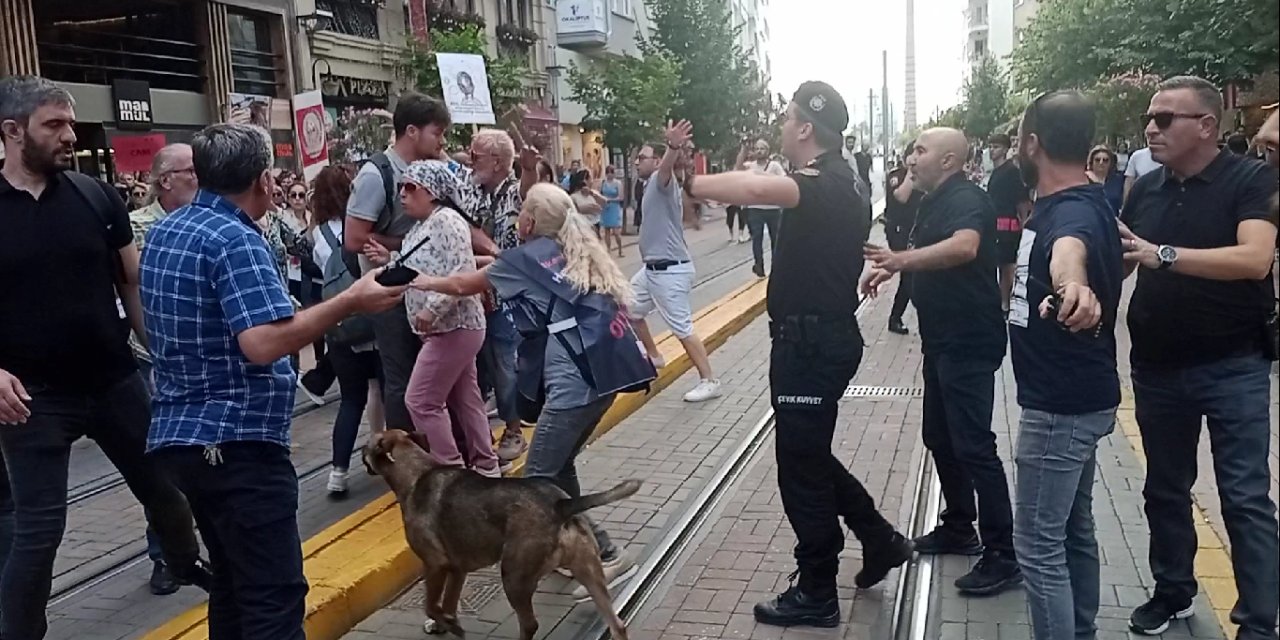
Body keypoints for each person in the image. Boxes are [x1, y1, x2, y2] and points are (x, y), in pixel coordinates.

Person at [141, 123, 407, 640]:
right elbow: (262, 343)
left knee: (232, 585)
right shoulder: (235, 238)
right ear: (263, 180)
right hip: (236, 444)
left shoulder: (168, 230)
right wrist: (351, 300)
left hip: (184, 438)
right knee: (272, 597)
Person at [683, 82, 912, 628]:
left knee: (800, 472)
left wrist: (691, 181)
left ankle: (817, 591)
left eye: (788, 119)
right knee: (808, 457)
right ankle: (879, 539)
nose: (782, 127)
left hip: (810, 346)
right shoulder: (848, 179)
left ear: (806, 127)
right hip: (817, 340)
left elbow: (755, 187)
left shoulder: (822, 181)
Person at [0, 76, 209, 640]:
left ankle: (185, 563)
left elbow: (131, 283)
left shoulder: (96, 196)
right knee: (38, 533)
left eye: (71, 123)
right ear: (12, 131)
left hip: (114, 381)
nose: (70, 135)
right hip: (32, 399)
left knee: (168, 492)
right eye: (55, 125)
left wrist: (163, 355)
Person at [408, 183, 647, 601]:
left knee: (538, 476)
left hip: (574, 386)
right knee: (560, 466)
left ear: (530, 221)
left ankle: (606, 553)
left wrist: (420, 279)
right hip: (600, 378)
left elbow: (464, 284)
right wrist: (482, 259)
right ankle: (584, 549)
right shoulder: (563, 249)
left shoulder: (521, 262)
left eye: (521, 210)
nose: (517, 215)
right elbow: (503, 267)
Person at [1116, 76, 1278, 639]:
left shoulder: (1252, 180)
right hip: (1157, 365)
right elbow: (1126, 259)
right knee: (1164, 488)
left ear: (1207, 126)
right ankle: (1173, 591)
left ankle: (1258, 623)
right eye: (1149, 118)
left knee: (1244, 497)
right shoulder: (1146, 188)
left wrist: (1162, 254)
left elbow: (1254, 259)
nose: (1151, 128)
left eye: (1165, 119)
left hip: (1235, 364)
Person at [862, 127, 1020, 597]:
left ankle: (1003, 554)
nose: (911, 158)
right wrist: (893, 269)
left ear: (949, 160)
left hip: (968, 340)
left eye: (920, 150)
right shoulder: (934, 200)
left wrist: (899, 261)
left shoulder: (967, 198)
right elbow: (922, 250)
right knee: (939, 435)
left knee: (974, 445)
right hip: (942, 340)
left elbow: (964, 247)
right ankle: (959, 525)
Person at [1007, 90, 1124, 640]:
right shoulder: (1084, 200)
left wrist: (1072, 286)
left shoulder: (1070, 211)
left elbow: (1067, 252)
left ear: (1033, 144)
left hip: (1061, 405)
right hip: (1078, 395)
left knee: (1036, 542)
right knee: (1073, 527)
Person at [366, 161, 499, 477]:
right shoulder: (421, 227)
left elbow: (461, 271)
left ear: (431, 191)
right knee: (465, 398)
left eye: (410, 187)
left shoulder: (447, 221)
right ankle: (485, 465)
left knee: (421, 400)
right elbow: (419, 265)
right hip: (447, 328)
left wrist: (432, 309)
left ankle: (450, 471)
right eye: (401, 186)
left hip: (453, 326)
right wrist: (389, 259)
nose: (402, 194)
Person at [344, 92, 451, 434]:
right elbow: (354, 239)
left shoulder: (429, 169)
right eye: (437, 133)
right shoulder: (376, 174)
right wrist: (411, 245)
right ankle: (406, 452)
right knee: (402, 380)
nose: (442, 141)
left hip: (425, 289)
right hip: (390, 295)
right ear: (412, 132)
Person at [126, 142, 204, 595]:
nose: (197, 176)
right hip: (151, 358)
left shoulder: (209, 220)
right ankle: (166, 554)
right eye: (189, 170)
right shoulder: (139, 226)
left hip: (199, 357)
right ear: (164, 180)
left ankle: (202, 542)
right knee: (160, 462)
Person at [453, 128, 539, 468]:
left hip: (507, 298)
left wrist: (529, 169)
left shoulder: (512, 192)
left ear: (499, 162)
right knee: (484, 368)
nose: (471, 161)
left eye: (477, 156)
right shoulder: (475, 193)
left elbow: (528, 192)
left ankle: (514, 429)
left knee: (505, 365)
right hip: (478, 295)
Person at [628, 124, 723, 403]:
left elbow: (667, 168)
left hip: (670, 270)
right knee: (628, 308)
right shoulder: (649, 186)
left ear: (657, 161)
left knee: (682, 328)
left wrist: (672, 147)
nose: (636, 162)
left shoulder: (661, 180)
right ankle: (655, 356)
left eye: (642, 157)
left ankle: (710, 380)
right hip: (651, 271)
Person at [309, 164, 386, 494]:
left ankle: (337, 473)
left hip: (341, 326)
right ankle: (383, 452)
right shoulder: (365, 229)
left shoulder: (318, 235)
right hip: (374, 319)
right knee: (384, 390)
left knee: (351, 400)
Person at [986, 132, 1031, 313]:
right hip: (994, 226)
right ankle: (1002, 301)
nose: (992, 150)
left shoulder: (1012, 172)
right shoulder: (995, 172)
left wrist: (1024, 224)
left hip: (1009, 226)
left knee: (1008, 267)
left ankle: (1007, 303)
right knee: (999, 266)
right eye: (990, 146)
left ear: (1005, 149)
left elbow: (1022, 202)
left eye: (996, 147)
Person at [882, 142, 923, 335]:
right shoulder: (897, 176)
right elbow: (902, 197)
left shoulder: (922, 177)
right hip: (898, 230)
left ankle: (896, 317)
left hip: (915, 230)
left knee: (911, 275)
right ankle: (896, 317)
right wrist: (911, 171)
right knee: (909, 274)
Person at [737, 139, 787, 277]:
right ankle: (759, 265)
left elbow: (784, 179)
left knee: (775, 239)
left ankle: (776, 266)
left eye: (762, 149)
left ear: (767, 151)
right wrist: (743, 150)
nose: (759, 151)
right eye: (757, 149)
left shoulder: (775, 166)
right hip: (755, 208)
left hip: (773, 208)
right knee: (756, 238)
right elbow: (738, 168)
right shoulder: (751, 166)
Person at [1085, 145, 1124, 213]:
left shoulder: (1118, 180)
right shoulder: (1083, 179)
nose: (1101, 163)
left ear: (1111, 163)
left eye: (1105, 160)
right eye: (1097, 160)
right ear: (1091, 162)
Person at [599, 165, 625, 256]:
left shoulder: (618, 183)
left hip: (614, 207)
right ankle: (608, 250)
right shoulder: (603, 183)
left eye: (611, 172)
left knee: (616, 232)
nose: (609, 174)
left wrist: (610, 199)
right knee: (607, 230)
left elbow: (621, 197)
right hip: (606, 208)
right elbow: (600, 194)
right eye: (608, 173)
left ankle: (620, 249)